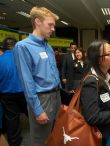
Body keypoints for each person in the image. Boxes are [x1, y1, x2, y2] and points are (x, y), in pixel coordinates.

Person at [13, 7, 61, 146]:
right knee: (41, 140)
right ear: (38, 22)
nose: (53, 29)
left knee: (56, 136)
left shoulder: (48, 46)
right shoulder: (22, 47)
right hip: (42, 100)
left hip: (56, 96)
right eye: (50, 25)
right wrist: (38, 110)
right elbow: (27, 82)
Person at [80, 40, 110, 145]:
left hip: (104, 133)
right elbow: (92, 117)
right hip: (95, 136)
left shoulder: (105, 76)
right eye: (109, 54)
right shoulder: (91, 82)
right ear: (99, 59)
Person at [0, 37, 28, 146]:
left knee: (12, 120)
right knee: (34, 115)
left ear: (4, 47)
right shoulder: (23, 58)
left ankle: (14, 143)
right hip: (24, 93)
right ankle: (44, 138)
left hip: (6, 95)